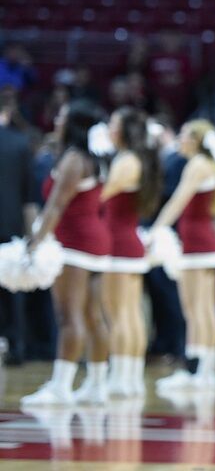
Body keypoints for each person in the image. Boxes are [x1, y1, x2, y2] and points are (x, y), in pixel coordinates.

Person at [21, 101, 113, 406]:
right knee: (92, 316)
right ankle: (97, 386)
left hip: (76, 243)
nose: (57, 119)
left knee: (68, 316)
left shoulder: (74, 159)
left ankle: (61, 388)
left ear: (73, 124)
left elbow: (57, 205)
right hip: (95, 240)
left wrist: (35, 241)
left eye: (62, 116)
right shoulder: (95, 157)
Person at [150, 119, 215, 391]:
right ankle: (204, 370)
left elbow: (177, 201)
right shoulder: (209, 165)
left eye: (183, 135)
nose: (179, 140)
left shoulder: (196, 165)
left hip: (196, 243)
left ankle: (198, 371)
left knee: (195, 308)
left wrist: (154, 230)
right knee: (204, 307)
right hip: (204, 240)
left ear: (196, 141)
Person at [102, 107, 162, 398]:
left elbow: (100, 197)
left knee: (119, 313)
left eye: (112, 124)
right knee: (131, 313)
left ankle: (121, 377)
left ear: (125, 130)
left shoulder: (126, 160)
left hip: (118, 243)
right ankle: (132, 377)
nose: (108, 129)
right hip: (129, 241)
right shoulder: (139, 159)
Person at [0, 96, 38, 366]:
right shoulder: (20, 142)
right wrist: (32, 234)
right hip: (10, 225)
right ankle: (17, 347)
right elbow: (29, 195)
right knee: (13, 290)